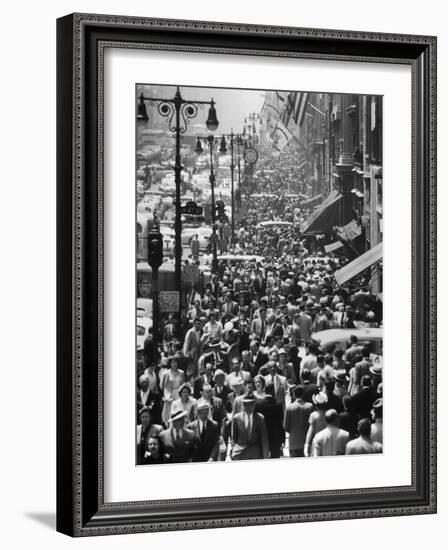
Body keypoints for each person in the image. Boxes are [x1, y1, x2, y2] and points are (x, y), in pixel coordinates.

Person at [230, 392, 269, 460]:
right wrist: (234, 450)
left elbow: (264, 439)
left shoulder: (260, 418)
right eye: (245, 405)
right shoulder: (237, 418)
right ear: (243, 405)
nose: (248, 407)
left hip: (255, 454)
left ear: (254, 405)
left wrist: (265, 456)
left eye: (250, 404)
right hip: (240, 453)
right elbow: (234, 438)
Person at [284, 385, 313, 457]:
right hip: (306, 442)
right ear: (303, 394)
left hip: (294, 443)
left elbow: (286, 426)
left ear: (294, 395)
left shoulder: (289, 408)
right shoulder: (310, 406)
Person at [304, 391, 328, 456]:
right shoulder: (329, 414)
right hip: (327, 441)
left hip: (317, 442)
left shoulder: (313, 415)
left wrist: (307, 445)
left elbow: (310, 431)